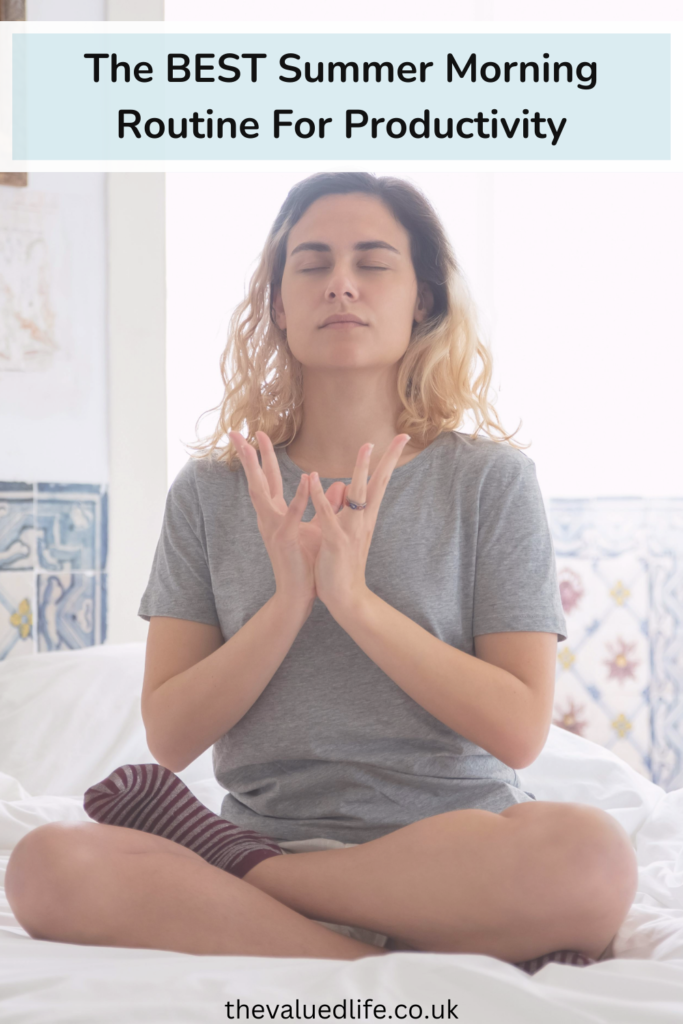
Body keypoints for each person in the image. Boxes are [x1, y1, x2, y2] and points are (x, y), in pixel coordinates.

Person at [6, 172, 637, 967]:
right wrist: (287, 604)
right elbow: (169, 736)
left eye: (372, 263)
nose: (340, 283)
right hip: (263, 825)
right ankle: (364, 960)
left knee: (589, 858)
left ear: (422, 299)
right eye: (310, 264)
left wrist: (354, 602)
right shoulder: (209, 493)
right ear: (276, 303)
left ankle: (274, 894)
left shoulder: (488, 481)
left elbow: (517, 731)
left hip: (451, 848)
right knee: (47, 865)